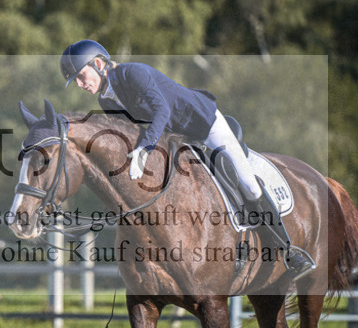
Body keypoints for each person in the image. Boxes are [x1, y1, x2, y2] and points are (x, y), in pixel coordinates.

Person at [60, 39, 315, 278]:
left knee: (247, 182)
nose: (81, 85)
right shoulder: (106, 99)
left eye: (81, 76)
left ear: (98, 63)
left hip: (204, 125)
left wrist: (145, 147)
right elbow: (131, 131)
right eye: (76, 81)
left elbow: (161, 110)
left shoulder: (132, 73)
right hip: (176, 139)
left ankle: (289, 252)